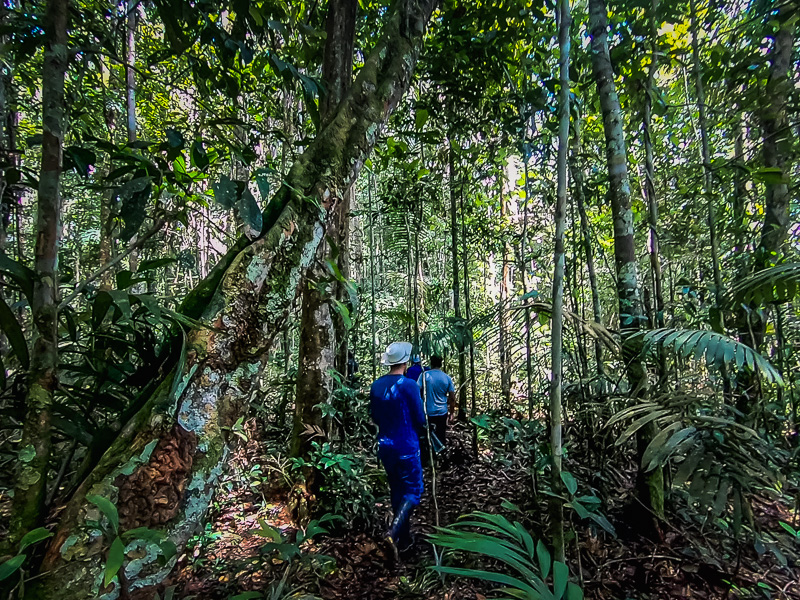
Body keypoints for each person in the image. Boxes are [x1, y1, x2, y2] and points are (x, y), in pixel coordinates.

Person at [370, 341, 427, 558]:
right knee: (413, 490)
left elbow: (374, 416)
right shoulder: (409, 385)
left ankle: (403, 539)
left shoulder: (377, 385)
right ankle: (393, 534)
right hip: (406, 446)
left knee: (397, 490)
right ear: (405, 361)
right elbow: (420, 419)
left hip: (385, 446)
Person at [417, 355, 456, 447]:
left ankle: (428, 457)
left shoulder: (424, 375)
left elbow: (416, 390)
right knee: (440, 435)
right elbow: (452, 397)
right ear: (441, 364)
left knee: (426, 435)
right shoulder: (447, 378)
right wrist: (452, 413)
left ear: (431, 363)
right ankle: (440, 456)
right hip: (442, 412)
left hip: (428, 411)